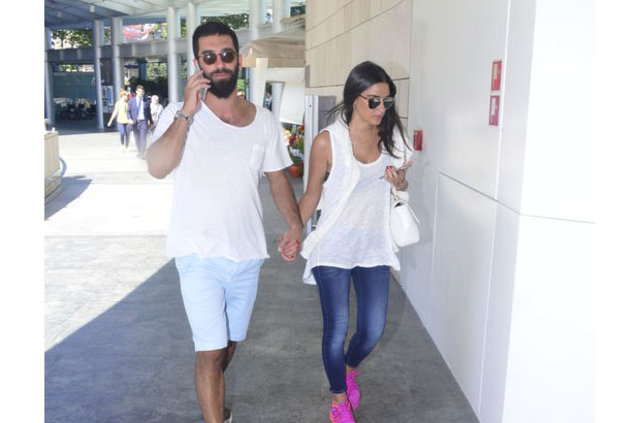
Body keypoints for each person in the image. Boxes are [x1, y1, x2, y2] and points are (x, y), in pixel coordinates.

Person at [146, 21, 302, 423]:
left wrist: (295, 225)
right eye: (209, 57)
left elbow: (277, 178)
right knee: (211, 349)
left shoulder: (263, 121)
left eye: (226, 55)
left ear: (238, 60)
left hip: (246, 254)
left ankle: (212, 395)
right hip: (198, 254)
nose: (219, 63)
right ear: (198, 63)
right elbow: (158, 167)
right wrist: (187, 112)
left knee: (228, 344)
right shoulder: (179, 114)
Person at [298, 61, 413, 423]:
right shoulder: (327, 141)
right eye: (373, 101)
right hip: (333, 247)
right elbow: (312, 193)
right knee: (336, 328)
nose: (381, 109)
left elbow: (402, 185)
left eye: (387, 102)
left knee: (372, 329)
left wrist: (399, 182)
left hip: (373, 246)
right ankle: (338, 400)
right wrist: (293, 230)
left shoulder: (392, 139)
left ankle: (348, 369)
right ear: (353, 98)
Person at [127, 84, 152, 159]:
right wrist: (129, 119)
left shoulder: (146, 101)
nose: (141, 93)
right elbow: (128, 111)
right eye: (139, 91)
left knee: (143, 138)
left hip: (143, 122)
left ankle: (142, 153)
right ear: (136, 92)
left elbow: (148, 112)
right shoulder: (131, 101)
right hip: (135, 122)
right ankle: (139, 151)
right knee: (137, 138)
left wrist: (151, 121)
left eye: (142, 92)